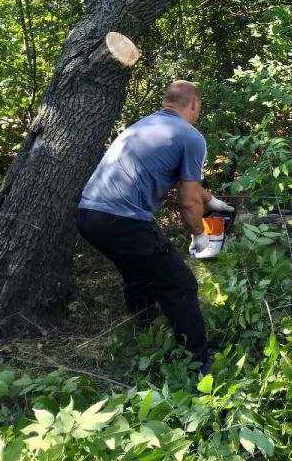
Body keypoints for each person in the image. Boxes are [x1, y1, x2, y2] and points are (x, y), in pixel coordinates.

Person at [77, 80, 233, 374]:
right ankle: (200, 366)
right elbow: (187, 202)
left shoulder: (144, 127)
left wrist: (212, 202)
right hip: (123, 220)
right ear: (195, 104)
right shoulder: (191, 136)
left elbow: (188, 186)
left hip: (89, 215)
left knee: (138, 273)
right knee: (181, 284)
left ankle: (145, 332)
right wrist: (202, 237)